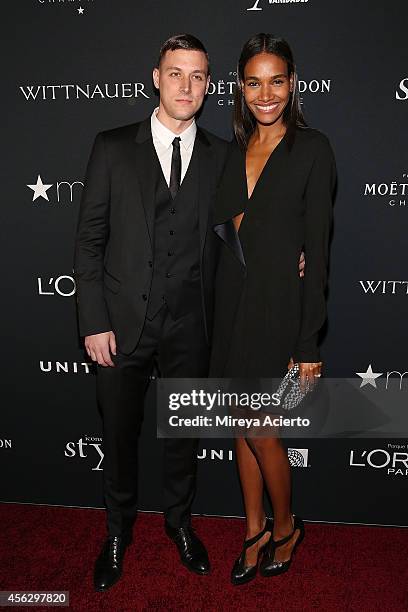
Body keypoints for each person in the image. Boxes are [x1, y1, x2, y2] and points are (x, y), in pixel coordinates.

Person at [74, 34, 230, 591]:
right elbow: (89, 242)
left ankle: (179, 524)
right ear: (156, 77)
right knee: (117, 438)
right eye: (176, 73)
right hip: (120, 327)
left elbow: (240, 236)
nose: (187, 85)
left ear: (208, 84)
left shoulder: (222, 155)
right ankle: (117, 532)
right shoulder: (113, 146)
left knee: (183, 437)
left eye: (198, 75)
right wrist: (93, 320)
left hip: (192, 328)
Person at [209, 33, 337, 585]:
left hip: (278, 309)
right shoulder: (228, 153)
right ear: (240, 87)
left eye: (277, 81)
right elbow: (222, 233)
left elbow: (319, 253)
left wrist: (307, 344)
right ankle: (253, 530)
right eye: (254, 82)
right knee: (242, 426)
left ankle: (286, 528)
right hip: (231, 306)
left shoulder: (312, 150)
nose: (266, 94)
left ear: (292, 84)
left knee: (261, 427)